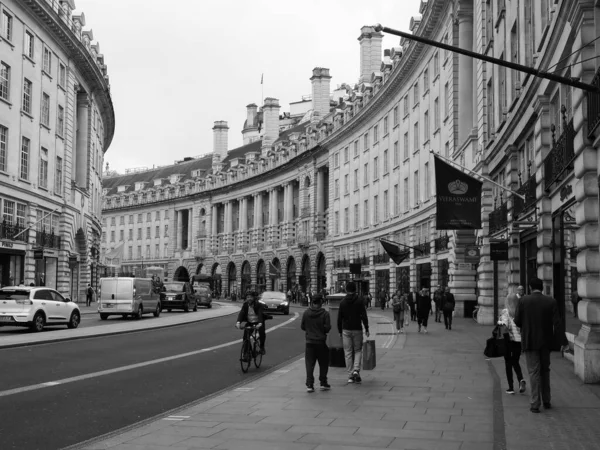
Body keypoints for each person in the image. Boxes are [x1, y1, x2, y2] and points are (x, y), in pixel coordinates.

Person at [514, 277, 568, 413]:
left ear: (530, 288)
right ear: (542, 287)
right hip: (546, 342)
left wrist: (526, 325)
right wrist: (563, 341)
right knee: (545, 370)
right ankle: (547, 400)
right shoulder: (551, 301)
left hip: (530, 341)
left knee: (533, 372)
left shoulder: (523, 301)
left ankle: (535, 403)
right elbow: (558, 323)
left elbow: (517, 321)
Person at [337, 281, 370, 384]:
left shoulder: (342, 302)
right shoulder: (359, 301)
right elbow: (364, 316)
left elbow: (339, 318)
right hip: (357, 329)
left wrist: (339, 331)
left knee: (348, 352)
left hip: (346, 329)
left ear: (346, 290)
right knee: (358, 350)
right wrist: (367, 328)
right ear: (355, 290)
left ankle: (350, 375)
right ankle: (356, 370)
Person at [301, 294, 331, 392]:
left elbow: (302, 326)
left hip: (309, 342)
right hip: (321, 342)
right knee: (323, 363)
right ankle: (323, 382)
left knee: (309, 364)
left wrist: (310, 330)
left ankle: (309, 384)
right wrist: (321, 329)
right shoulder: (325, 314)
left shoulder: (306, 313)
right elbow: (327, 328)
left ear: (312, 302)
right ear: (321, 302)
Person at [498, 293, 526, 395]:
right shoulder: (520, 312)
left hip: (508, 341)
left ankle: (511, 387)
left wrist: (499, 321)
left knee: (508, 363)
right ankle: (521, 379)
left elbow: (503, 326)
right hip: (519, 341)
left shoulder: (506, 312)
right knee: (515, 361)